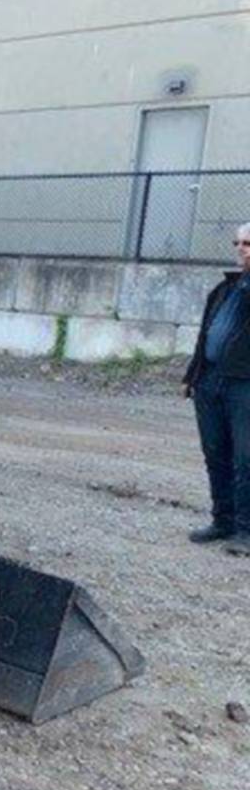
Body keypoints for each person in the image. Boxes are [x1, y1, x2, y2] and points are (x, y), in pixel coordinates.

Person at [184, 222, 250, 555]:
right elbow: (207, 333)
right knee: (216, 454)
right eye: (237, 242)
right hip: (210, 380)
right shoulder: (226, 288)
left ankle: (246, 530)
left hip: (244, 385)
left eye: (248, 243)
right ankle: (222, 520)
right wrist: (194, 374)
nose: (241, 248)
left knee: (246, 458)